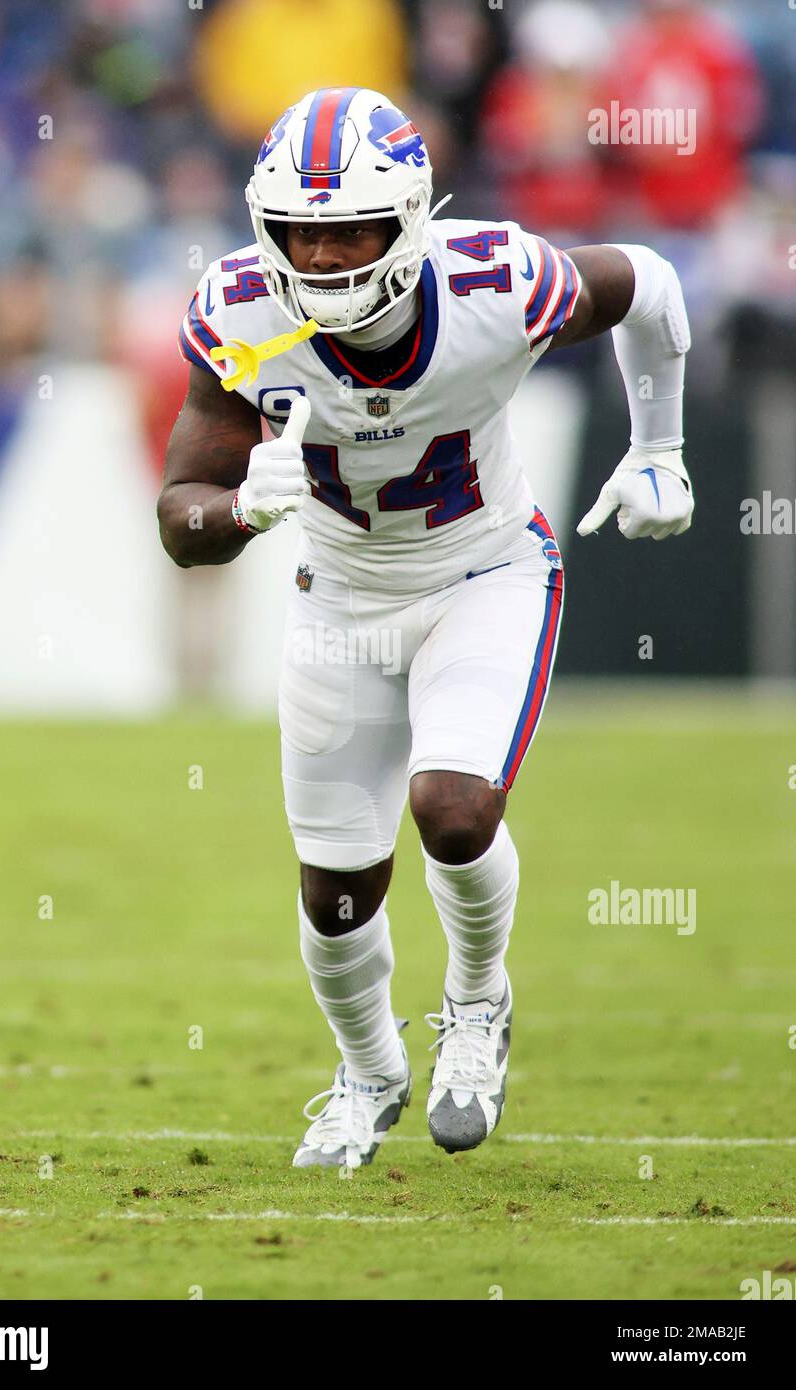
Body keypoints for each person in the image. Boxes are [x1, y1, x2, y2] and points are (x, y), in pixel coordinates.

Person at [158, 87, 693, 1170]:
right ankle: (366, 1073)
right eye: (300, 230)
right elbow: (181, 524)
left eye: (349, 226)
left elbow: (646, 280)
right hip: (336, 597)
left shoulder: (497, 281)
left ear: (408, 217)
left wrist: (659, 448)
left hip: (483, 572)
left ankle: (477, 1002)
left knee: (449, 809)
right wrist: (241, 509)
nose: (322, 254)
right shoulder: (241, 312)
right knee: (336, 888)